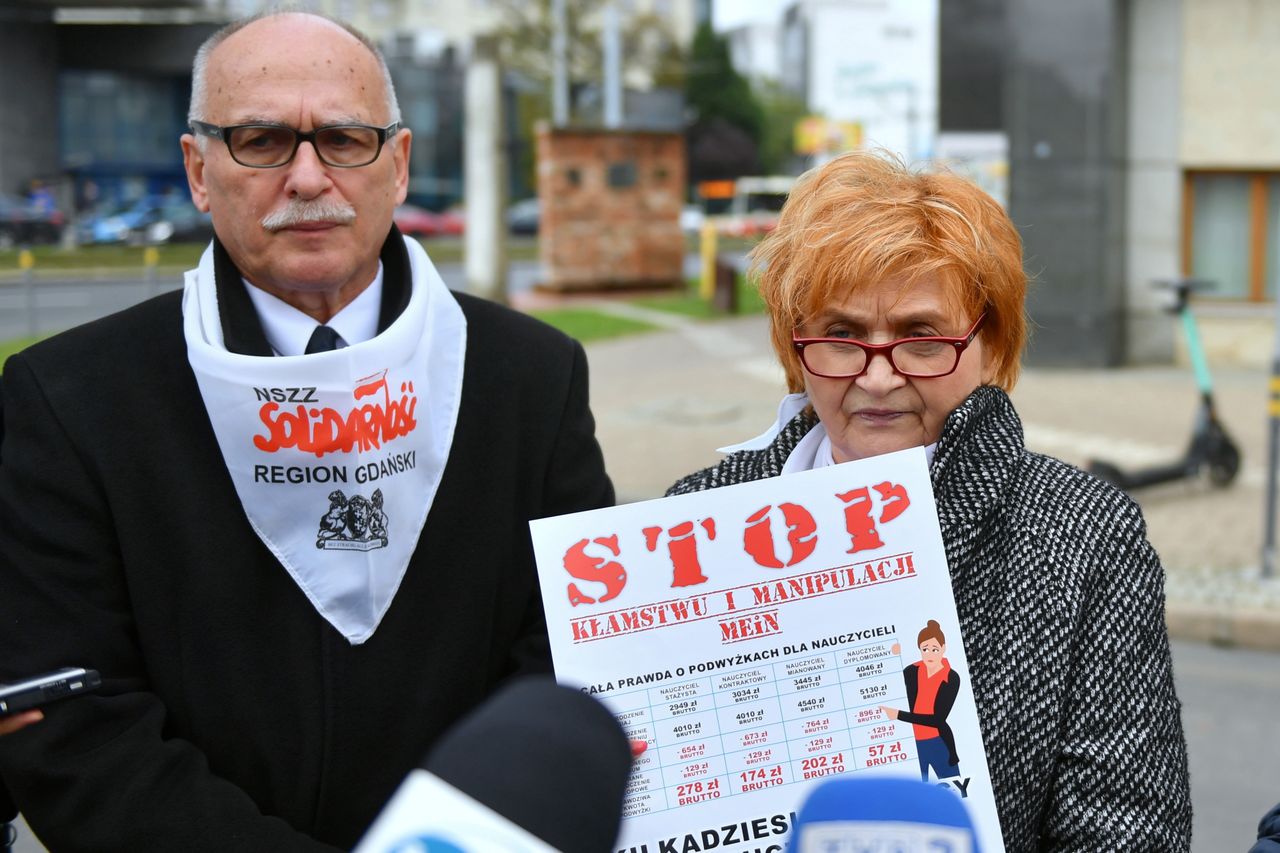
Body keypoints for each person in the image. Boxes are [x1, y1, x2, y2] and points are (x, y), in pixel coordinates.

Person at [0, 11, 612, 851]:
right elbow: (74, 723)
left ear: (397, 166)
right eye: (260, 140)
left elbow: (572, 653)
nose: (307, 177)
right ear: (198, 170)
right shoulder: (69, 400)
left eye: (344, 138)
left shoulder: (532, 377)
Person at [668, 151, 1192, 850]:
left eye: (920, 338)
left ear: (990, 340)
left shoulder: (1085, 535)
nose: (878, 377)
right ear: (796, 345)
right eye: (843, 335)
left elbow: (1131, 833)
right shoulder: (689, 523)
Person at [879, 621, 963, 783]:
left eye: (934, 649)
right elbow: (890, 686)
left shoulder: (951, 678)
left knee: (953, 790)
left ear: (943, 648)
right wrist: (890, 657)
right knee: (914, 798)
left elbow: (937, 719)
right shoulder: (911, 671)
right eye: (925, 649)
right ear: (919, 649)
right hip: (912, 744)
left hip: (939, 742)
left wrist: (898, 715)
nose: (929, 654)